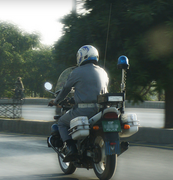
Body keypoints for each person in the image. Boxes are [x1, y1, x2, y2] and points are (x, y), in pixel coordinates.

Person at [50, 45, 109, 162]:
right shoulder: (103, 71)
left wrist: (56, 101)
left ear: (82, 57)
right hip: (101, 110)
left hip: (84, 110)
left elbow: (65, 89)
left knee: (61, 122)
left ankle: (72, 148)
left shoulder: (77, 71)